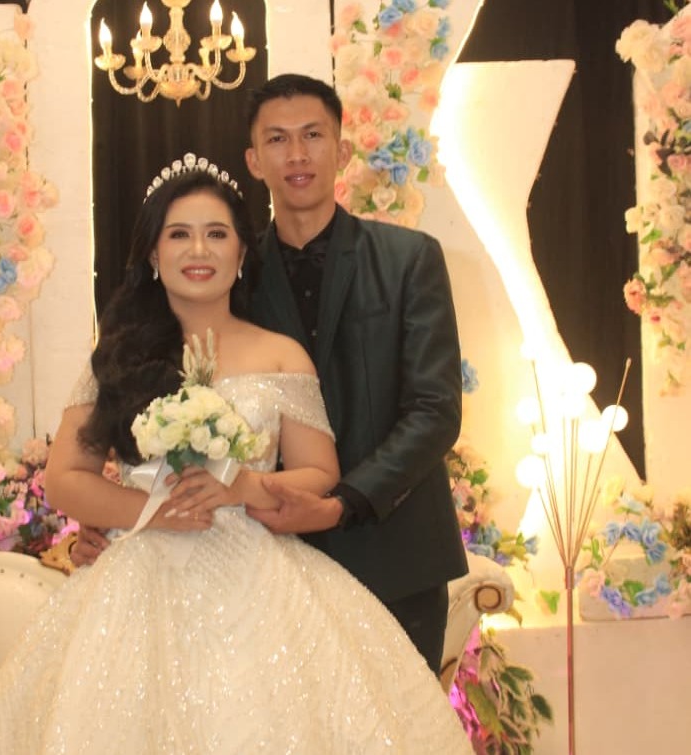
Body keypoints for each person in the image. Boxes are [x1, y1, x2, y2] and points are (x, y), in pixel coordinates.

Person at [0, 164, 472, 753]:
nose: (199, 250)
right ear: (153, 253)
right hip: (138, 579)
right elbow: (66, 479)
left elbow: (321, 472)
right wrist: (155, 511)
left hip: (260, 577)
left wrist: (242, 487)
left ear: (241, 253)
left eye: (217, 234)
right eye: (179, 234)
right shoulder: (117, 357)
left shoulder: (281, 354)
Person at [74, 73, 469, 676]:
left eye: (313, 135)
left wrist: (342, 503)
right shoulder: (230, 272)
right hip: (267, 561)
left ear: (341, 149)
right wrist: (114, 515)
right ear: (254, 160)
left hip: (393, 549)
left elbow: (434, 410)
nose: (297, 154)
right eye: (278, 140)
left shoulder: (408, 259)